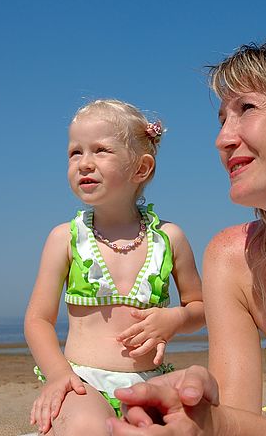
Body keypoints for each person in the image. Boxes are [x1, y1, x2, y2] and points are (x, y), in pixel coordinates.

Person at [106, 34, 266, 435]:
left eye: (247, 108)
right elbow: (231, 418)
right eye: (222, 119)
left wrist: (227, 424)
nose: (223, 139)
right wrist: (189, 413)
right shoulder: (235, 259)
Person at [24, 99, 205, 435]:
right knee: (89, 426)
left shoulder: (170, 238)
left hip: (149, 382)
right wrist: (58, 374)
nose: (84, 163)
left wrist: (176, 318)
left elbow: (200, 308)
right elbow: (37, 320)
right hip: (81, 381)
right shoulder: (65, 238)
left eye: (100, 150)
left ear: (141, 168)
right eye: (75, 152)